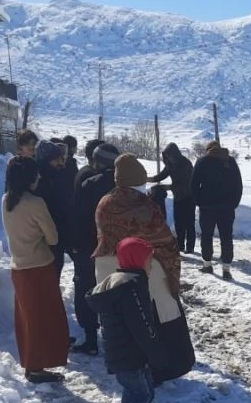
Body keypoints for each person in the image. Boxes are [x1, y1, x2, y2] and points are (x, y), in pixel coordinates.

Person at [86, 237, 170, 403]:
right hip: (130, 352)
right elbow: (141, 324)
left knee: (133, 392)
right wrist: (157, 354)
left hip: (120, 351)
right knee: (144, 394)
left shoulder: (116, 279)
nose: (150, 264)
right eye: (148, 260)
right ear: (137, 260)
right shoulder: (132, 286)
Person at [1, 156, 69, 384]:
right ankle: (38, 367)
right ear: (29, 178)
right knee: (45, 318)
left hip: (18, 266)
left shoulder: (6, 200)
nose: (39, 177)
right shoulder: (35, 203)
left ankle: (31, 363)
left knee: (27, 319)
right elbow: (53, 237)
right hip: (39, 266)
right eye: (36, 174)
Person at [93, 154, 181, 295]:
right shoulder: (145, 207)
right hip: (141, 271)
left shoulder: (104, 201)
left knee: (113, 314)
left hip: (106, 270)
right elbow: (166, 243)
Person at [70, 143, 119, 355]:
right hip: (119, 250)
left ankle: (91, 338)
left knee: (86, 290)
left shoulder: (88, 184)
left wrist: (76, 245)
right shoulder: (127, 185)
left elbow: (79, 217)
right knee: (117, 291)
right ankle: (119, 339)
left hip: (90, 247)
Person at [191, 141, 243, 280]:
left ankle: (207, 265)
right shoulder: (230, 161)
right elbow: (238, 184)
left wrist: (199, 202)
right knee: (226, 237)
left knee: (206, 236)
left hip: (207, 207)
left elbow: (194, 184)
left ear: (208, 150)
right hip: (227, 208)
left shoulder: (202, 161)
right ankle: (226, 269)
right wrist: (233, 203)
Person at [147, 143, 196, 253]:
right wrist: (147, 179)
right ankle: (180, 245)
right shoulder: (170, 165)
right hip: (178, 197)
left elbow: (187, 184)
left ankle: (190, 247)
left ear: (175, 154)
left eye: (170, 156)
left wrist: (168, 187)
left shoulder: (185, 164)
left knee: (189, 222)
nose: (169, 158)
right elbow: (160, 176)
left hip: (189, 196)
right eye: (167, 156)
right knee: (178, 222)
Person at [34, 139, 71, 278]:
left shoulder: (54, 175)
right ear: (46, 159)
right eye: (56, 160)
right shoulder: (40, 180)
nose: (59, 163)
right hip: (47, 238)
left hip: (56, 237)